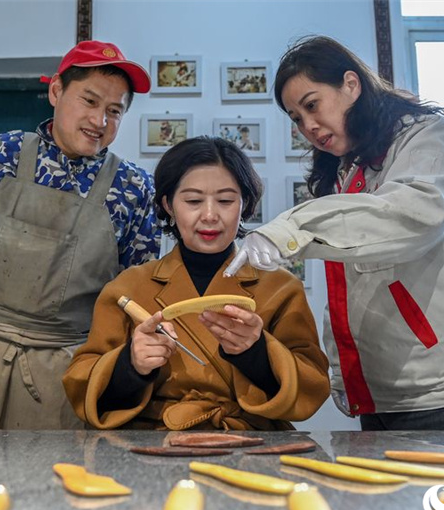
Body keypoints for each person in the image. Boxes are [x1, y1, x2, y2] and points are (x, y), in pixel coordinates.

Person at [224, 36, 444, 431]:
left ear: (351, 84)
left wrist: (291, 228)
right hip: (375, 393)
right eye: (296, 118)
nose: (308, 126)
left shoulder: (428, 138)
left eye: (312, 105)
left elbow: (411, 215)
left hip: (441, 394)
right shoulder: (347, 168)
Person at [0, 40, 159, 430]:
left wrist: (114, 383)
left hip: (66, 376)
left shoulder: (135, 189)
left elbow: (132, 302)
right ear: (56, 91)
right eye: (89, 101)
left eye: (114, 111)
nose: (100, 121)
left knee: (52, 486)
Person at [63, 137, 329, 430]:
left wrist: (257, 353)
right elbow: (80, 385)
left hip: (250, 442)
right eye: (193, 201)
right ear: (168, 205)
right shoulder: (128, 287)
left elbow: (312, 387)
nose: (210, 215)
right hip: (150, 442)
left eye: (226, 201)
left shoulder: (281, 288)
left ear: (246, 205)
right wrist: (131, 365)